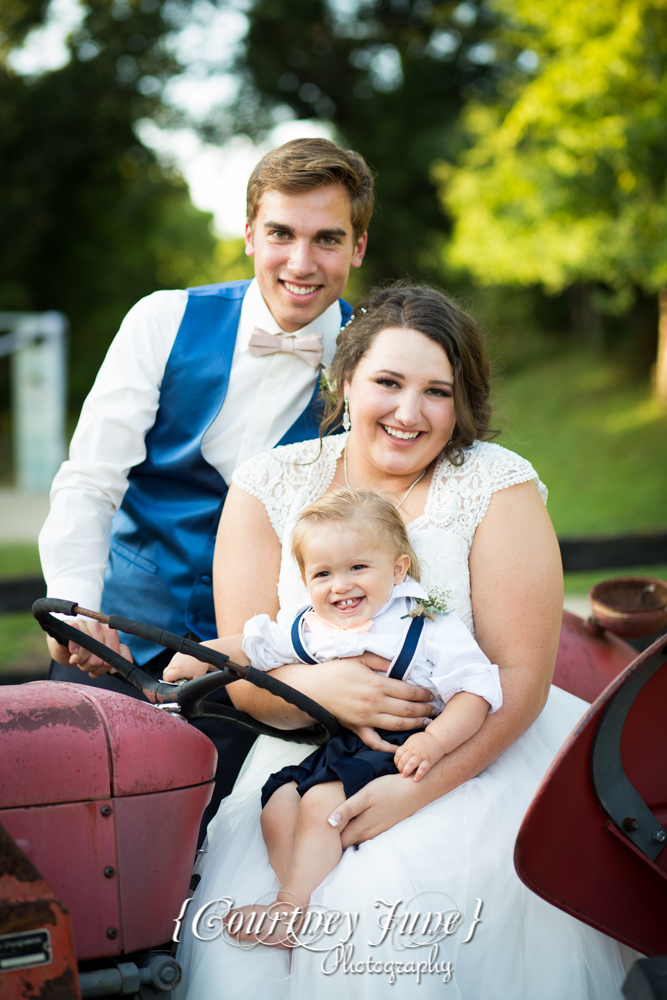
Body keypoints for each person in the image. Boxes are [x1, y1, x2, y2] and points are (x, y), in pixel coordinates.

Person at [173, 283, 635, 999]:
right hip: (303, 756)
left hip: (473, 754)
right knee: (243, 955)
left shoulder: (494, 485)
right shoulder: (267, 484)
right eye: (387, 382)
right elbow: (243, 668)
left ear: (463, 402)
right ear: (345, 379)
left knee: (382, 912)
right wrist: (310, 687)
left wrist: (410, 796)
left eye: (437, 392)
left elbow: (518, 680)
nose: (409, 413)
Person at [37, 137, 379, 819]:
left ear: (358, 247)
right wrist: (76, 603)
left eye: (327, 239)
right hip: (119, 644)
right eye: (281, 233)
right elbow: (89, 479)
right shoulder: (163, 319)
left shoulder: (375, 359)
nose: (301, 262)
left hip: (267, 671)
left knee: (221, 853)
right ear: (250, 233)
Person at [167, 487, 502, 948]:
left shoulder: (426, 626)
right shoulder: (313, 628)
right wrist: (200, 657)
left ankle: (290, 909)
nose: (340, 585)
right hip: (342, 748)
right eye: (323, 573)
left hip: (400, 747)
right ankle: (314, 902)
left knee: (321, 805)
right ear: (306, 581)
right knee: (278, 802)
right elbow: (253, 645)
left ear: (398, 569)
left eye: (358, 567)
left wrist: (436, 743)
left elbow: (476, 691)